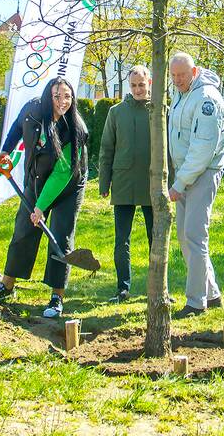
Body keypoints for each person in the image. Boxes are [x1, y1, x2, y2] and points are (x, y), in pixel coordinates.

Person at [0, 76, 89, 318]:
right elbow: (16, 127)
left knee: (60, 234)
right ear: (48, 96)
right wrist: (6, 149)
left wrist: (40, 207)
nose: (62, 101)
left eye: (67, 96)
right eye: (57, 96)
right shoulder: (32, 111)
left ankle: (57, 296)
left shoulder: (76, 129)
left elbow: (61, 174)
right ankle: (7, 285)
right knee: (24, 228)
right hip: (37, 177)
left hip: (68, 185)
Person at [167, 52, 224, 318]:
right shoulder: (181, 94)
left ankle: (195, 303)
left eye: (182, 75)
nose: (178, 80)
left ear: (194, 72)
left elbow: (203, 148)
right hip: (186, 173)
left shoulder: (206, 99)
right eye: (174, 76)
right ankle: (212, 294)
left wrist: (179, 183)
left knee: (194, 234)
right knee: (184, 234)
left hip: (202, 173)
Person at [98, 65, 155, 303]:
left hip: (152, 183)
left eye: (142, 85)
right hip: (122, 182)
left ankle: (158, 288)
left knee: (156, 237)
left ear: (149, 84)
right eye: (133, 85)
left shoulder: (159, 111)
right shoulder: (116, 112)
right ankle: (123, 288)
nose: (138, 89)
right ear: (128, 86)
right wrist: (104, 182)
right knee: (122, 239)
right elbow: (106, 148)